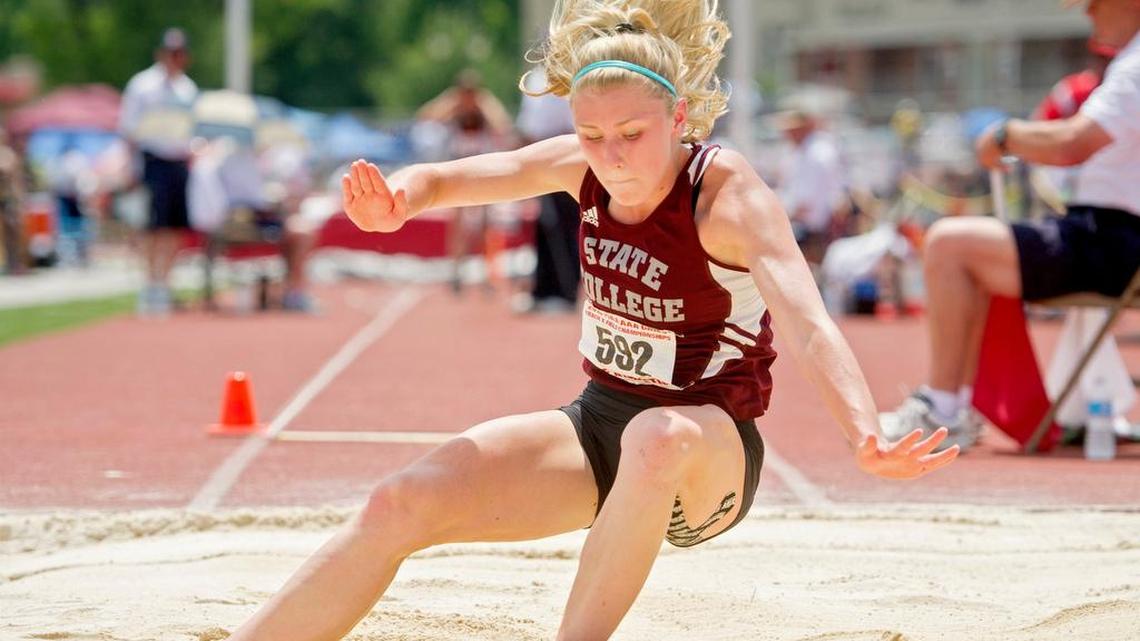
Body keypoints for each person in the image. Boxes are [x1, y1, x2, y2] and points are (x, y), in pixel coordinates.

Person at [228, 2, 957, 639]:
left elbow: (809, 322)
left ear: (678, 117)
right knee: (401, 501)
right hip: (595, 425)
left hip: (705, 448)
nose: (609, 156)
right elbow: (459, 177)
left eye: (632, 134)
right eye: (590, 134)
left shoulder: (726, 197)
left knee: (656, 435)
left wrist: (864, 431)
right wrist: (399, 198)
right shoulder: (584, 163)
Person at [879, 0, 1140, 452]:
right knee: (969, 248)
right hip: (1109, 235)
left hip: (1115, 241)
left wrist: (1006, 135)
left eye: (1094, 3)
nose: (1088, 15)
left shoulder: (1136, 64)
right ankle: (951, 408)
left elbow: (1073, 143)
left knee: (948, 243)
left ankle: (943, 409)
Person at [118, 27, 198, 316]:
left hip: (179, 163)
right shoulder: (142, 86)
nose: (175, 59)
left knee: (174, 227)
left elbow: (193, 130)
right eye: (171, 53)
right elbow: (129, 129)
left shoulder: (187, 89)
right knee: (153, 226)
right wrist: (129, 166)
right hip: (153, 161)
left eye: (180, 53)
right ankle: (150, 283)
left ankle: (163, 282)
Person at [416, 69, 516, 293]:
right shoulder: (454, 106)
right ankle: (456, 271)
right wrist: (451, 103)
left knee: (485, 225)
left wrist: (484, 105)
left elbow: (502, 124)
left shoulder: (484, 107)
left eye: (472, 93)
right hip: (457, 169)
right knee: (458, 225)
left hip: (481, 169)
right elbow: (426, 115)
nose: (468, 98)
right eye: (464, 93)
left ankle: (487, 274)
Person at [515, 65, 580, 313]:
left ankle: (565, 292)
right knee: (543, 226)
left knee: (563, 225)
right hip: (538, 156)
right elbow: (527, 124)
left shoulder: (571, 77)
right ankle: (543, 289)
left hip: (563, 156)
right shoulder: (535, 79)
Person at [774, 108, 851, 268]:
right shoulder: (809, 150)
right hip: (812, 225)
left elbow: (806, 201)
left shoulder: (815, 153)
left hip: (813, 229)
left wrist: (781, 216)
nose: (788, 135)